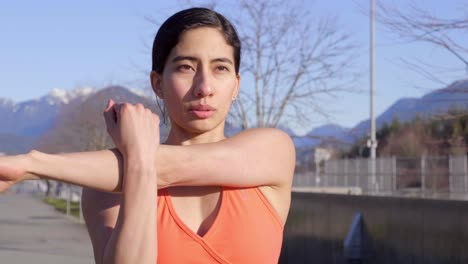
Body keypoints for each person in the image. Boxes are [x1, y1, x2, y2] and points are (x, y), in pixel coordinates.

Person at [0, 7, 295, 263]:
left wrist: (31, 165)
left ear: (236, 84)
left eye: (220, 68)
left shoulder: (272, 150)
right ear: (158, 83)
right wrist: (139, 162)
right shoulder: (103, 188)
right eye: (185, 67)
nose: (204, 86)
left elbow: (181, 166)